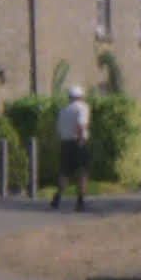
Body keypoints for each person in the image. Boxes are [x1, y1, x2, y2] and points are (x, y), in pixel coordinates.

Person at [50, 84, 89, 212]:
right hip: (77, 142)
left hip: (65, 143)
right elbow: (80, 124)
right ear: (80, 97)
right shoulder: (82, 108)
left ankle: (58, 196)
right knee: (82, 172)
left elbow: (59, 129)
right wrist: (80, 139)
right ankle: (80, 201)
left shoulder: (63, 110)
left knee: (64, 173)